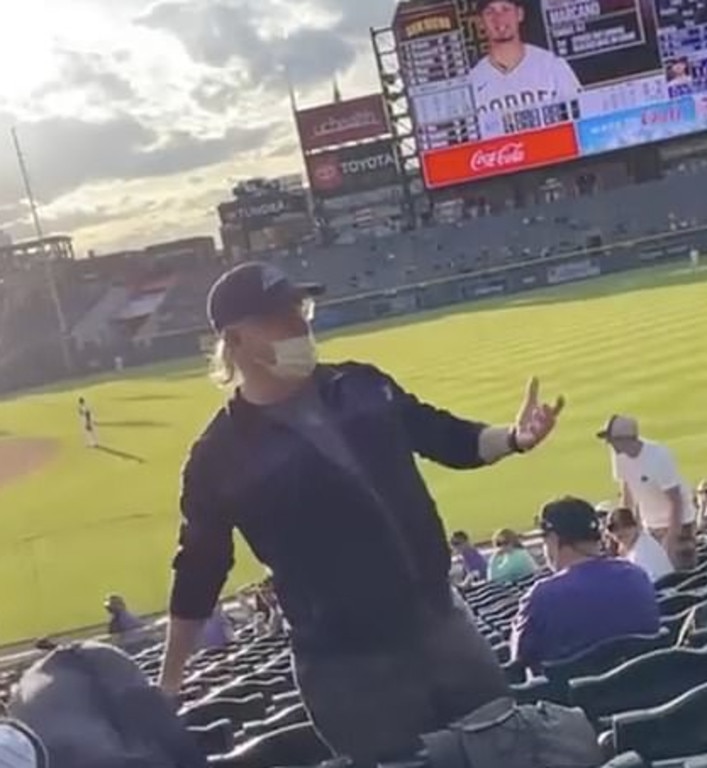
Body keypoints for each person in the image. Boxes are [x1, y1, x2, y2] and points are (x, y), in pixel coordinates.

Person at [158, 261, 565, 764]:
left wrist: (513, 438)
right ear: (235, 341)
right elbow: (199, 571)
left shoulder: (362, 384)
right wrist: (169, 685)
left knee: (506, 754)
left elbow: (444, 436)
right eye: (280, 318)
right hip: (348, 668)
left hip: (443, 624)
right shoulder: (218, 456)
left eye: (300, 310)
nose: (300, 326)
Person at [510, 497, 660, 673]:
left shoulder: (541, 597)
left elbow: (518, 663)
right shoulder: (636, 575)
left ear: (554, 539)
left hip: (573, 699)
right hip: (652, 695)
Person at [598, 414, 697, 570]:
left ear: (626, 439)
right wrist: (624, 530)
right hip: (650, 524)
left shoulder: (658, 456)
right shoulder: (619, 456)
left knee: (679, 570)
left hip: (679, 523)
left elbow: (675, 501)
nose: (609, 444)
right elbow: (627, 491)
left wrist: (671, 538)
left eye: (612, 440)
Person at [469, 0, 581, 136]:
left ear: (520, 14)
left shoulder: (551, 65)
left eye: (506, 9)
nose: (498, 18)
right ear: (481, 22)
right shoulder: (472, 81)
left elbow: (581, 120)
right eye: (489, 12)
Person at [606, 507, 674, 583]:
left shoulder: (642, 550)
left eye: (626, 526)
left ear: (635, 526)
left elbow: (648, 581)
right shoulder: (629, 545)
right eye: (615, 528)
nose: (621, 531)